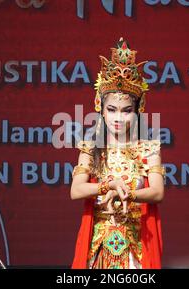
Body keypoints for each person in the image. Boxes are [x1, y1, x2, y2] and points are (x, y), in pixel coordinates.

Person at [70, 38, 164, 269]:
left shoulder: (148, 147)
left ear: (138, 110)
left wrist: (128, 193)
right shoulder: (91, 146)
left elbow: (157, 192)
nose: (118, 118)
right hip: (99, 242)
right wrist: (107, 187)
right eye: (111, 110)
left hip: (136, 243)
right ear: (100, 107)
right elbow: (76, 190)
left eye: (126, 111)